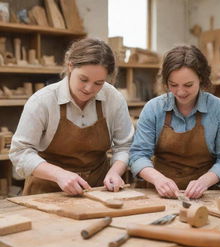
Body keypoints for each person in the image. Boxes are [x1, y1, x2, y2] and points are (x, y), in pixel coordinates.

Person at [9, 38, 134, 195]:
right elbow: (20, 152)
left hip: (97, 189)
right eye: (83, 79)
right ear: (70, 66)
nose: (89, 88)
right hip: (47, 190)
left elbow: (124, 146)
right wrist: (59, 175)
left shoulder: (113, 98)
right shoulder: (43, 100)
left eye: (98, 83)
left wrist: (115, 172)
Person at [129, 45, 220, 199]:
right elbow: (138, 155)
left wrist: (204, 181)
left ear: (201, 79)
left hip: (206, 193)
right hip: (159, 193)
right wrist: (158, 179)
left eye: (188, 85)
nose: (180, 92)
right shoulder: (153, 108)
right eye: (173, 85)